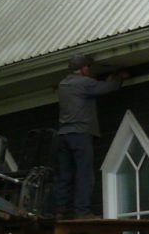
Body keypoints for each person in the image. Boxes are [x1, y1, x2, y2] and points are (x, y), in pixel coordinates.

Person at [54, 53, 126, 218]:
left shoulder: (63, 85)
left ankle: (59, 211)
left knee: (65, 175)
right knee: (84, 173)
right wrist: (119, 78)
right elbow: (108, 88)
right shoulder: (85, 83)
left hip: (63, 135)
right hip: (80, 135)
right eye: (88, 67)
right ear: (83, 69)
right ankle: (82, 212)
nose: (89, 70)